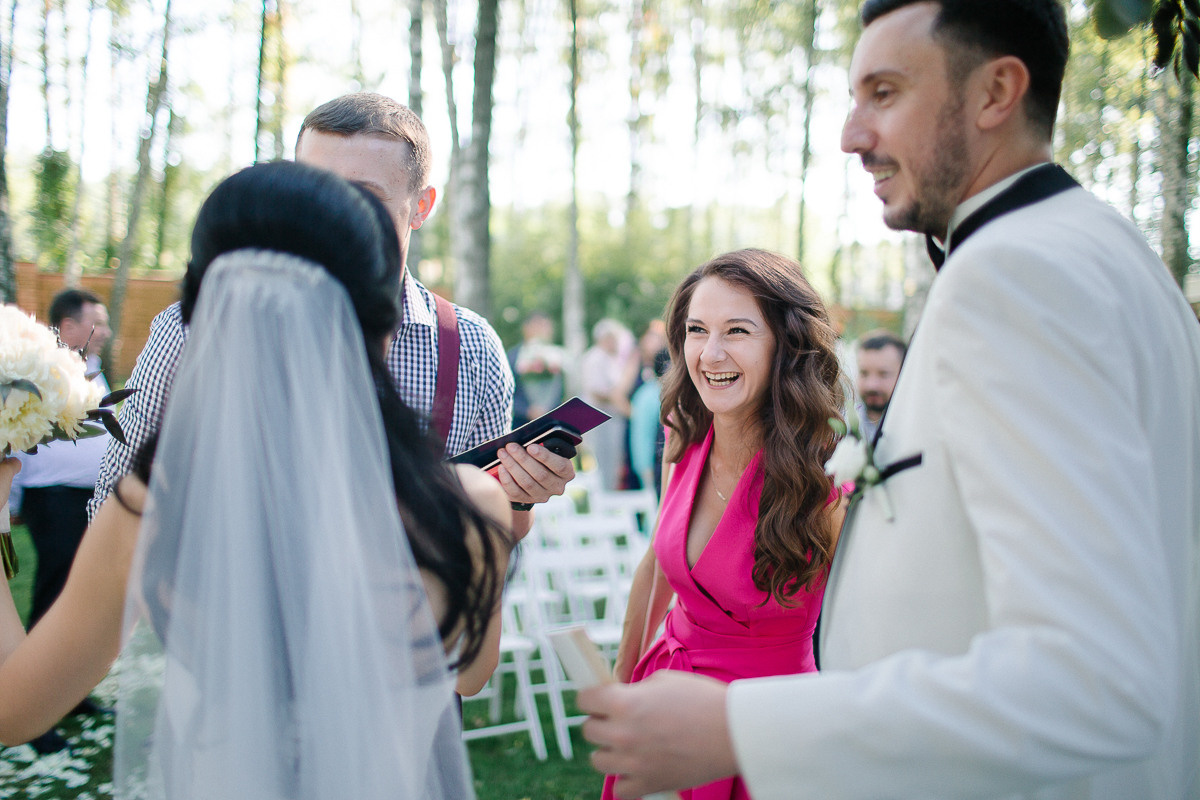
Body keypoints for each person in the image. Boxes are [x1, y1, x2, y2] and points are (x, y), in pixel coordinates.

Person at [577, 2, 1200, 798]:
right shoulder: (1115, 254)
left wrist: (744, 728)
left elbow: (1099, 677)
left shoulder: (1020, 276)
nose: (851, 134)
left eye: (885, 92)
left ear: (995, 92)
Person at [0, 161, 514, 798]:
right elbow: (470, 676)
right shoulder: (473, 501)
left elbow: (12, 711)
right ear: (381, 320)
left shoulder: (156, 504)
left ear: (206, 316)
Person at [88, 92, 571, 539]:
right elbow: (112, 502)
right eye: (315, 187)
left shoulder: (471, 347)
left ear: (420, 206)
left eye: (363, 195)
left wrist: (520, 498)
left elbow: (492, 533)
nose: (331, 213)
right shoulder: (195, 327)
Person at [601, 249, 846, 800]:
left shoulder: (828, 480)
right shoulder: (682, 438)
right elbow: (654, 569)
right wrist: (623, 690)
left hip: (772, 732)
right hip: (665, 700)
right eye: (696, 330)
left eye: (737, 330)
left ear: (786, 343)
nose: (710, 353)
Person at [8, 288, 113, 753]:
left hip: (91, 501)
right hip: (51, 502)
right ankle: (35, 715)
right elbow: (16, 436)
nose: (106, 331)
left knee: (83, 599)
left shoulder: (98, 374)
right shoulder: (38, 375)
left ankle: (72, 696)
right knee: (53, 599)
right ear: (68, 327)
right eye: (98, 321)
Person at [581, 318, 639, 490]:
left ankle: (611, 495)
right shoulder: (594, 358)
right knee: (603, 462)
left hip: (613, 418)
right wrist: (618, 400)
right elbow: (596, 391)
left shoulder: (611, 359)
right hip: (601, 419)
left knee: (614, 462)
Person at [509, 311, 565, 428]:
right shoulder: (513, 356)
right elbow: (507, 392)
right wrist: (527, 410)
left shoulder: (558, 355)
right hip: (522, 423)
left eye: (546, 326)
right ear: (526, 328)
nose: (543, 330)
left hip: (553, 421)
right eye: (538, 325)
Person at [852, 328, 905, 442]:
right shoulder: (841, 427)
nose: (871, 385)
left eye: (883, 374)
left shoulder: (917, 427)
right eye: (864, 373)